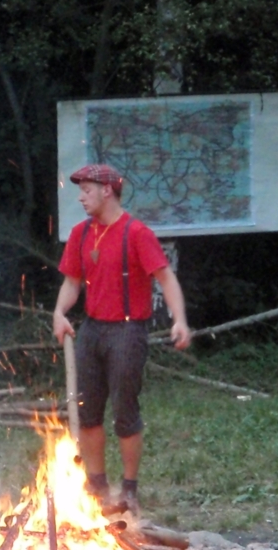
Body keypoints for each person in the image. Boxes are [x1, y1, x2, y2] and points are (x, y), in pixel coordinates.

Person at [53, 163, 191, 514]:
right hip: (91, 330)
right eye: (80, 191)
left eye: (87, 190)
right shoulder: (81, 234)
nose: (81, 197)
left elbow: (166, 278)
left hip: (127, 331)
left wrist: (179, 320)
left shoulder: (136, 233)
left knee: (125, 412)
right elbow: (71, 282)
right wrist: (59, 313)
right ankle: (97, 485)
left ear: (107, 191)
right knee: (87, 411)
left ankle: (129, 489)